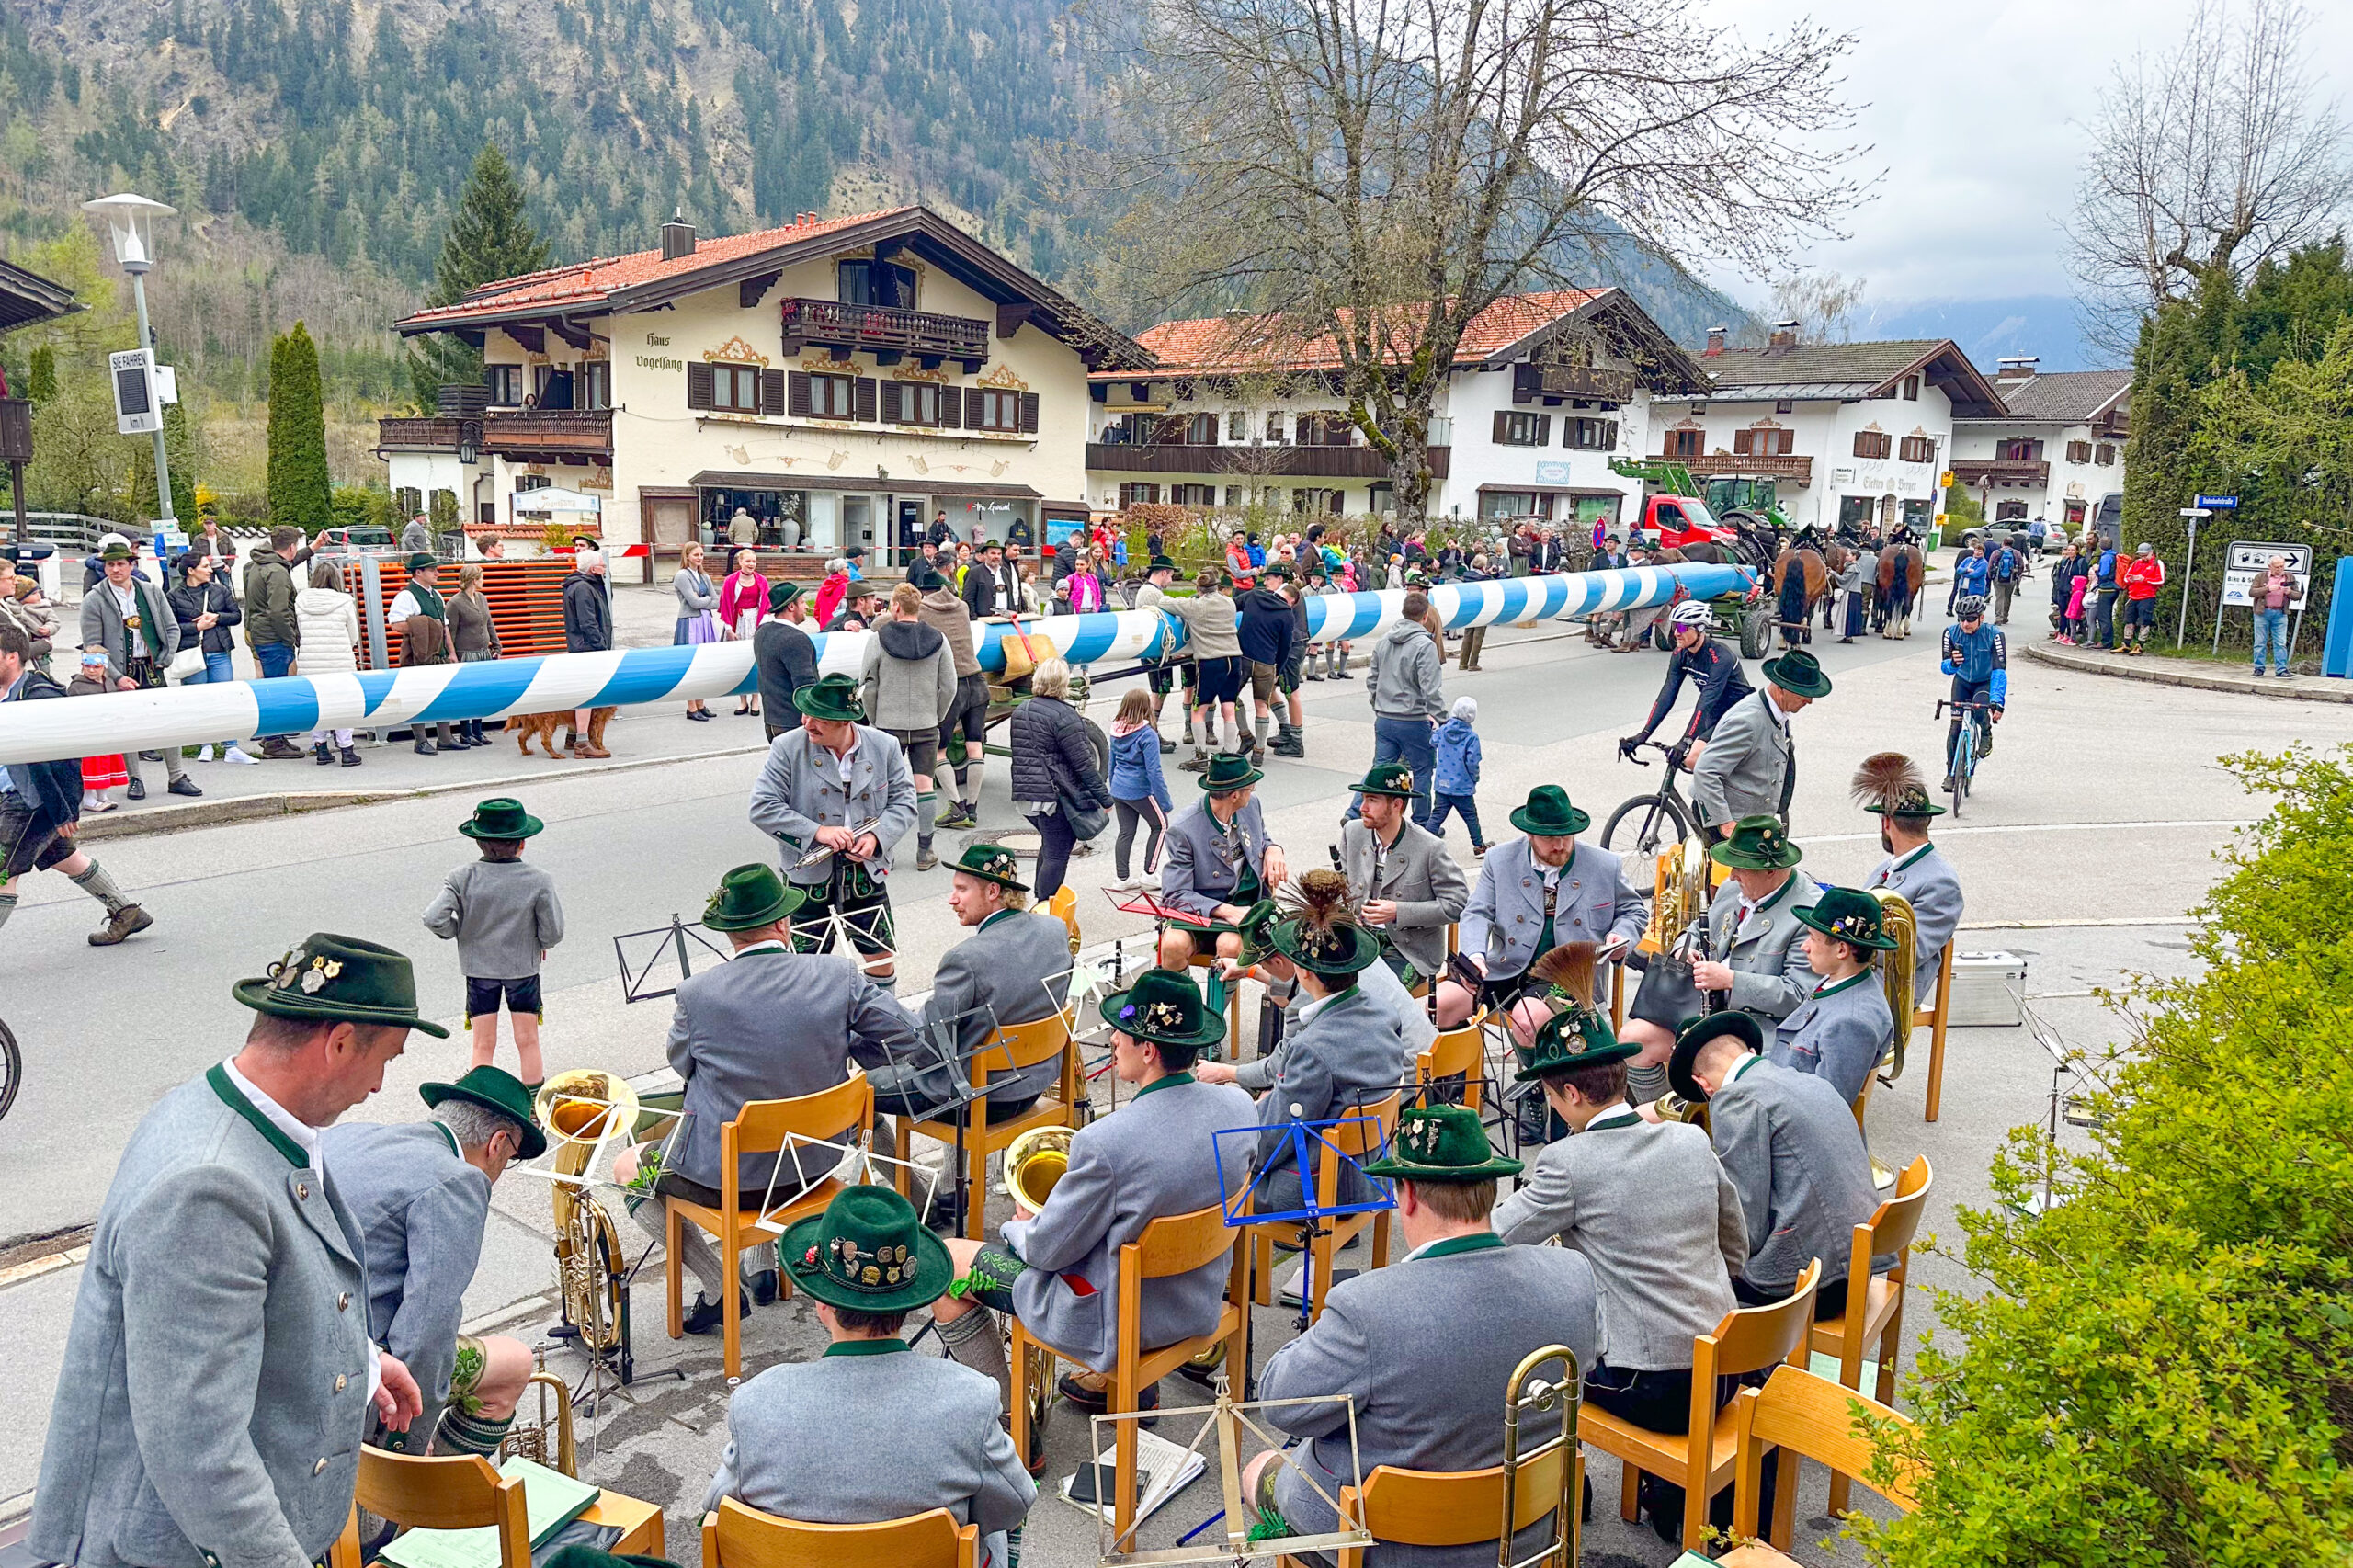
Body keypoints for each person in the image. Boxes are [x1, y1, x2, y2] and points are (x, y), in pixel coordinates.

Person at [29, 934, 435, 1568]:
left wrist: (360, 1358)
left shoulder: (236, 1110)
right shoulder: (209, 1185)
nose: (380, 1085)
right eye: (386, 1058)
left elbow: (272, 1287)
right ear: (338, 1043)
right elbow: (198, 1447)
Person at [1246, 1103, 1597, 1561]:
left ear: (1407, 1195)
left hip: (1389, 1548)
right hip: (1527, 1530)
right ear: (1489, 1188)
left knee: (1258, 1469)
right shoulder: (1572, 1273)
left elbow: (1281, 1404)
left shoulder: (1367, 1306)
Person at [929, 966, 1256, 1420]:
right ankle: (1131, 1390)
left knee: (946, 1262)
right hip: (1197, 1302)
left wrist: (1021, 1224)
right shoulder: (1240, 1106)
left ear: (1148, 1050)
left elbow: (1045, 1252)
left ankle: (1010, 1425)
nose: (1113, 1040)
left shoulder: (1106, 1142)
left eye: (1121, 1032)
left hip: (1118, 1322)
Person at [613, 864, 918, 1326]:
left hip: (731, 1182)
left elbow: (682, 1064)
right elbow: (907, 1034)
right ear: (784, 923)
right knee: (773, 1106)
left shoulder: (697, 993)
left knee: (628, 1166)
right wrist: (846, 1046)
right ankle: (760, 1259)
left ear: (728, 933)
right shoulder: (838, 973)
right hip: (816, 1164)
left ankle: (719, 1287)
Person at [1491, 1004, 1745, 1543]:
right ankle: (1666, 1491)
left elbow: (1495, 1238)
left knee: (1526, 1357)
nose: (1552, 1106)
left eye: (1550, 1095)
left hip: (1651, 1386)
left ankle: (1563, 1497)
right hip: (1726, 1367)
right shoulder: (1690, 1139)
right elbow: (1735, 1248)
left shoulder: (1568, 1161)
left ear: (1572, 1094)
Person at [703, 1187, 1036, 1568]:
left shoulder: (757, 1402)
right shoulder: (971, 1399)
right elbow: (1015, 1503)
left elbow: (718, 1510)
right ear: (912, 1300)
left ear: (822, 1303)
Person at [322, 1067, 547, 1456]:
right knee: (514, 1363)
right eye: (509, 1158)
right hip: (354, 1365)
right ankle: (427, 1487)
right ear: (497, 1144)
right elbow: (427, 1330)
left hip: (301, 1338)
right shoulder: (459, 1181)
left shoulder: (350, 1134)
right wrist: (403, 1441)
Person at [1666, 1012, 1881, 1317]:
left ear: (1703, 1083)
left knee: (1675, 1279)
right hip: (1862, 1260)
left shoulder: (1736, 1099)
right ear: (1751, 1051)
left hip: (1812, 1284)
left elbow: (1746, 1232)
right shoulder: (1813, 1081)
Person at [1619, 815, 1822, 1103]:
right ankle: (1672, 1118)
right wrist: (1683, 948)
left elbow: (1799, 996)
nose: (1733, 875)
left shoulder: (1807, 913)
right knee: (1634, 1039)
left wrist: (1731, 980)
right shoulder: (1734, 889)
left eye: (1741, 868)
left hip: (1757, 1029)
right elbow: (1694, 929)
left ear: (1770, 871)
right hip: (1704, 1010)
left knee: (1715, 1065)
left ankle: (1703, 1119)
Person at [1245, 870, 1413, 1215]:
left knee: (1216, 1178)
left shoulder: (1311, 1049)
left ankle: (1260, 1251)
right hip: (1371, 1176)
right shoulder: (1384, 1013)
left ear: (1304, 972)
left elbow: (1274, 1137)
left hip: (1318, 1190)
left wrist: (1235, 1146)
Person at [748, 674, 919, 988]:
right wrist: (817, 832)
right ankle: (813, 1018)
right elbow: (762, 807)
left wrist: (876, 838)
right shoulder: (787, 747)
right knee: (804, 969)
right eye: (806, 713)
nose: (807, 723)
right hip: (807, 875)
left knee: (880, 958)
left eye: (819, 718)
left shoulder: (884, 746)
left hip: (865, 873)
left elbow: (905, 802)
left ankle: (882, 1015)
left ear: (845, 721)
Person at [1437, 786, 1646, 1040]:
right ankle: (1458, 1067)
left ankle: (1537, 1067)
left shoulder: (1604, 864)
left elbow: (1633, 911)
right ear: (1530, 834)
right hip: (1505, 969)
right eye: (1549, 838)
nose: (1559, 845)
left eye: (1566, 836)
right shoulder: (1499, 859)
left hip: (1567, 979)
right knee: (1442, 1003)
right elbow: (1477, 912)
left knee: (1528, 1017)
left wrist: (1622, 936)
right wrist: (1475, 956)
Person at [0, 624, 153, 942]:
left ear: (11, 657)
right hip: (14, 796)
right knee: (62, 857)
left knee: (3, 874)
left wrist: (64, 810)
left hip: (30, 802)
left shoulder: (39, 695)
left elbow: (66, 759)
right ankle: (127, 912)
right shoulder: (5, 692)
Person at [423, 798, 565, 1085]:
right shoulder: (538, 879)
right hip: (522, 971)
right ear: (522, 843)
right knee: (527, 1040)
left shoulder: (461, 877)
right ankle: (532, 1101)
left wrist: (458, 932)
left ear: (478, 842)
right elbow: (553, 932)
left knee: (482, 1044)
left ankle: (480, 1101)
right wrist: (541, 943)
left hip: (479, 972)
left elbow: (433, 917)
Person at [80, 540, 200, 800]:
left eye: (120, 564)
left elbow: (171, 627)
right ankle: (135, 779)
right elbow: (93, 646)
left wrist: (166, 657)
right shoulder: (94, 599)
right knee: (129, 727)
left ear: (131, 565)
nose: (115, 569)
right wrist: (116, 676)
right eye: (110, 565)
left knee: (167, 722)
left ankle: (177, 776)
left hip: (151, 666)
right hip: (120, 670)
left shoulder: (150, 591)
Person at [1159, 750, 1289, 987]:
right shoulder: (1183, 829)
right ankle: (1186, 1006)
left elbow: (1261, 838)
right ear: (1235, 795)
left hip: (1244, 906)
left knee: (1230, 947)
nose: (1253, 792)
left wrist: (1273, 849)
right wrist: (1225, 910)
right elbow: (1174, 894)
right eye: (1251, 788)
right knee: (1172, 945)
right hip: (1200, 913)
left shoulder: (1251, 806)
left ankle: (1215, 1008)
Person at [1338, 760, 1468, 989]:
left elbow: (1457, 904)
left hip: (1409, 950)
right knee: (1315, 979)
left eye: (1372, 800)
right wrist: (1344, 915)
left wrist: (1398, 911)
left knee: (1374, 995)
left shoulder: (1430, 847)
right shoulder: (1353, 831)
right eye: (1363, 798)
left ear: (1397, 804)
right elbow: (1340, 884)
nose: (1363, 808)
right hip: (1358, 937)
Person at [861, 583, 959, 871]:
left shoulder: (878, 639)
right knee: (925, 785)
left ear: (895, 607)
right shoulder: (939, 640)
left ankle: (881, 848)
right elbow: (949, 685)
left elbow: (867, 685)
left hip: (887, 724)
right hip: (925, 723)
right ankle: (925, 850)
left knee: (882, 787)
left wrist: (874, 718)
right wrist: (936, 714)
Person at [1853, 753, 1963, 1006]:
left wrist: (1846, 944)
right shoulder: (1887, 867)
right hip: (1861, 975)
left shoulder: (1941, 882)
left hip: (1888, 989)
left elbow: (1909, 953)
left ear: (1886, 822)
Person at [1773, 888, 1899, 1103]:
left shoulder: (1853, 1022)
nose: (1804, 947)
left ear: (1841, 950)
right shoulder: (1834, 980)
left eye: (1812, 938)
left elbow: (1827, 1105)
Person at [1690, 648, 1829, 838]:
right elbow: (1706, 771)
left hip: (1750, 819)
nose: (1809, 700)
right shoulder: (1748, 721)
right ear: (1781, 689)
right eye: (1803, 693)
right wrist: (1725, 823)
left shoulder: (1777, 710)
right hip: (1731, 820)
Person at [1008, 657, 1114, 901]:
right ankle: (1044, 905)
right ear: (1063, 682)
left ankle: (1040, 900)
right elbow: (1084, 764)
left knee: (1050, 846)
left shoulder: (1021, 710)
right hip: (1052, 798)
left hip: (1026, 794)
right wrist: (1105, 799)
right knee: (1057, 853)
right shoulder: (1065, 716)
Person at [1621, 601, 1753, 767]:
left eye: (1682, 627)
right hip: (1714, 714)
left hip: (1738, 712)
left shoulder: (1721, 657)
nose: (1676, 633)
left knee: (1692, 759)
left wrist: (1686, 741)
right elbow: (1667, 694)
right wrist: (1644, 734)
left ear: (1699, 628)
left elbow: (1707, 700)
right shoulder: (1680, 654)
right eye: (1674, 626)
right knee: (1690, 761)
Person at [1360, 589, 1445, 825]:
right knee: (1422, 769)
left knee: (1379, 769)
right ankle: (1421, 823)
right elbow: (1431, 689)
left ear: (1403, 613)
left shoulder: (1384, 641)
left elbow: (1372, 680)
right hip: (1413, 718)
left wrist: (1379, 704)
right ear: (1425, 616)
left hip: (1385, 717)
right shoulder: (1424, 645)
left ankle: (1357, 810)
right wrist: (1443, 719)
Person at [915, 566, 989, 827]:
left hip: (951, 686)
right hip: (977, 681)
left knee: (939, 750)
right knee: (974, 746)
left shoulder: (923, 611)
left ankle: (956, 807)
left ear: (923, 591)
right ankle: (973, 808)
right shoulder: (962, 607)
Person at [168, 553, 254, 767]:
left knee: (225, 699)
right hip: (191, 654)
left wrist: (217, 617)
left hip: (219, 651)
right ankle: (204, 744)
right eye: (205, 566)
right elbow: (170, 627)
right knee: (199, 701)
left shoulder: (219, 590)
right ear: (191, 571)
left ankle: (231, 746)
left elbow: (236, 616)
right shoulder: (174, 596)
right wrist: (196, 627)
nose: (210, 570)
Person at [392, 553, 465, 755]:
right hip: (417, 655)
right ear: (418, 572)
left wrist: (451, 653)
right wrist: (425, 626)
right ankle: (421, 741)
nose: (437, 573)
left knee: (443, 696)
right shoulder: (406, 596)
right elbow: (396, 624)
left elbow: (444, 627)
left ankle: (445, 738)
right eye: (432, 570)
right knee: (417, 698)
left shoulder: (437, 595)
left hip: (438, 655)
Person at [243, 526, 306, 759]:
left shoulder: (257, 565)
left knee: (272, 685)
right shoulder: (277, 571)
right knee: (277, 689)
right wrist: (290, 637)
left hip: (261, 633)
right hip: (274, 637)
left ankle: (275, 736)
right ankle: (273, 741)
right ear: (292, 547)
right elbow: (278, 610)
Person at [1172, 568, 1244, 769]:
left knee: (1199, 709)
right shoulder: (1229, 603)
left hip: (1211, 661)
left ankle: (1201, 756)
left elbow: (1166, 602)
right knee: (1229, 707)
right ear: (1217, 586)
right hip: (1234, 658)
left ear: (1198, 589)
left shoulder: (1196, 606)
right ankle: (1229, 753)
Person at [297, 557, 365, 766]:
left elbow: (300, 630)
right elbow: (353, 634)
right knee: (344, 705)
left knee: (318, 705)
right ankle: (347, 750)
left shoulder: (301, 601)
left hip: (309, 662)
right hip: (340, 662)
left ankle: (321, 749)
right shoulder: (344, 601)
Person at [1108, 686, 1173, 891]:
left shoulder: (1116, 730)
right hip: (1139, 789)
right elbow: (1154, 772)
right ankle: (1149, 874)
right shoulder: (1148, 734)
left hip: (1119, 788)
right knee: (1161, 825)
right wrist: (1164, 802)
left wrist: (1113, 786)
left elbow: (1111, 763)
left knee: (1126, 832)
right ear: (1146, 707)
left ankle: (1122, 878)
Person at [1939, 594, 2006, 791]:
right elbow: (1945, 667)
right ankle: (1951, 774)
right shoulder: (1950, 633)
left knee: (1979, 709)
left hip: (1984, 682)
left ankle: (1986, 733)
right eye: (1961, 619)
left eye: (1970, 619)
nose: (1965, 624)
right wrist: (1953, 663)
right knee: (1955, 727)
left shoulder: (1994, 635)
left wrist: (1997, 701)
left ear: (1981, 618)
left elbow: (1999, 671)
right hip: (1962, 681)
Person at [1233, 570, 1297, 765]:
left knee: (1231, 697)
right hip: (1266, 663)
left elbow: (1231, 606)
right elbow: (1285, 647)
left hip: (1243, 657)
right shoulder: (1287, 614)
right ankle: (1258, 752)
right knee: (1261, 705)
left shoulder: (1252, 596)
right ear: (1290, 600)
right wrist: (1278, 668)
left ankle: (1245, 735)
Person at [558, 548, 613, 756]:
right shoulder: (583, 588)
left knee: (582, 692)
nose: (604, 568)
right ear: (593, 568)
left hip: (581, 647)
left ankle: (573, 737)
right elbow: (588, 622)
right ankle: (582, 742)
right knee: (587, 695)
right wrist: (601, 645)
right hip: (587, 649)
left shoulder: (581, 585)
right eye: (602, 565)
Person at [753, 579, 818, 743]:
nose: (806, 607)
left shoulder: (762, 632)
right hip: (794, 724)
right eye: (802, 602)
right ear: (791, 606)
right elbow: (805, 685)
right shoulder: (796, 639)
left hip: (772, 722)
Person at [1132, 554, 1186, 749]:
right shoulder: (1152, 593)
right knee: (1159, 691)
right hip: (1155, 651)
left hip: (1156, 650)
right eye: (1170, 576)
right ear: (1163, 573)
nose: (1170, 580)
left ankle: (1152, 731)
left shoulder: (1149, 590)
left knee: (1161, 690)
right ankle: (1151, 732)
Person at [444, 562, 500, 748]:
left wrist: (496, 645)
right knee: (467, 694)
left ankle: (478, 730)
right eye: (481, 578)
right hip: (466, 654)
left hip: (483, 653)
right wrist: (451, 655)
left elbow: (488, 622)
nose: (483, 581)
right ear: (474, 580)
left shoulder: (481, 598)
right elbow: (450, 631)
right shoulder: (455, 603)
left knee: (482, 693)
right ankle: (465, 733)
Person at [69, 649, 130, 812]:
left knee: (105, 764)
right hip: (88, 734)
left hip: (106, 732)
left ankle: (102, 796)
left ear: (104, 667)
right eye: (87, 666)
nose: (91, 670)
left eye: (96, 667)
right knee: (90, 767)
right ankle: (88, 798)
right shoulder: (77, 687)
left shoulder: (109, 683)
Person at [1427, 695, 1487, 854]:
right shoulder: (1471, 737)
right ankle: (1479, 846)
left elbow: (1433, 742)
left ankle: (1423, 843)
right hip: (1462, 786)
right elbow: (1473, 762)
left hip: (1442, 784)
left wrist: (1434, 729)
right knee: (1470, 817)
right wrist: (1475, 778)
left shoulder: (1443, 730)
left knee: (1437, 815)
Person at [717, 547, 769, 716]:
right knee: (740, 661)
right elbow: (725, 605)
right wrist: (728, 629)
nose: (751, 564)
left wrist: (762, 626)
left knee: (756, 661)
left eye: (754, 561)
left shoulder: (762, 581)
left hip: (755, 622)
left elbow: (766, 605)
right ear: (740, 562)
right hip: (738, 622)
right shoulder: (730, 581)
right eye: (748, 561)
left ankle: (755, 700)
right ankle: (742, 700)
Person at [673, 540, 722, 721]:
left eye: (701, 554)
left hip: (705, 621)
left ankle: (701, 704)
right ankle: (691, 707)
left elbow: (717, 602)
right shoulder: (682, 576)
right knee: (690, 665)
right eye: (696, 555)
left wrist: (704, 599)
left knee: (704, 664)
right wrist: (706, 599)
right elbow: (694, 603)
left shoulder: (704, 576)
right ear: (687, 556)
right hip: (690, 622)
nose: (700, 558)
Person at [2253, 554, 2298, 676]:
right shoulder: (2261, 576)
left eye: (2282, 566)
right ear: (2270, 566)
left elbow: (2298, 595)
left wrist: (2290, 592)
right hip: (2263, 613)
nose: (2279, 569)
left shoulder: (2289, 577)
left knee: (2280, 642)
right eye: (2276, 567)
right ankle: (2259, 668)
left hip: (2280, 613)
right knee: (2260, 642)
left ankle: (2281, 669)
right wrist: (2267, 589)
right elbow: (2252, 592)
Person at [2090, 535, 2122, 649]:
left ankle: (2106, 642)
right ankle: (2108, 640)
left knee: (2104, 616)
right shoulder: (2114, 555)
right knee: (2106, 615)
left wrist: (2096, 570)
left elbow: (2104, 574)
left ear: (2100, 546)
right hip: (2114, 588)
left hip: (2106, 589)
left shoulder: (2105, 558)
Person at [1990, 534, 2027, 624]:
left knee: (1999, 598)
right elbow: (2021, 566)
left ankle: (1998, 618)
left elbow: (1990, 565)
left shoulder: (1996, 552)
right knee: (2007, 597)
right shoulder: (2016, 553)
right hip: (2011, 579)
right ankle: (2005, 616)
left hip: (1998, 578)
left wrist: (1991, 576)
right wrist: (2017, 575)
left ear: (2003, 543)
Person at [1946, 539, 1989, 617]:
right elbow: (1959, 569)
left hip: (1975, 589)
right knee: (1961, 607)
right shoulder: (1968, 559)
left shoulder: (1984, 563)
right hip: (1963, 587)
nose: (1977, 553)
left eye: (1980, 551)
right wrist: (1966, 570)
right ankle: (1958, 618)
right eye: (1976, 551)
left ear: (1983, 553)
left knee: (1972, 610)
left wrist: (1963, 574)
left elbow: (1975, 575)